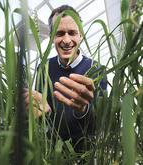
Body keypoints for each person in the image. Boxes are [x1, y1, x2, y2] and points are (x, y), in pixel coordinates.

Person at [24, 5, 107, 153]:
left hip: (85, 154)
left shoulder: (97, 69)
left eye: (72, 33)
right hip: (53, 152)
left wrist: (83, 110)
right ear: (51, 38)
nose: (67, 40)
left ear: (80, 35)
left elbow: (101, 124)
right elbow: (43, 117)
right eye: (60, 33)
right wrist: (43, 113)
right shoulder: (43, 68)